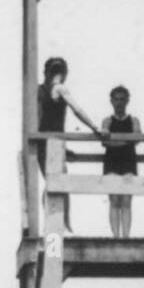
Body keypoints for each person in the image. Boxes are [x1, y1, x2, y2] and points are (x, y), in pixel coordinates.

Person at [37, 57, 101, 232]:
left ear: (46, 72)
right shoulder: (59, 88)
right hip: (54, 144)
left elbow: (41, 120)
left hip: (43, 144)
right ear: (64, 74)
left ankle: (58, 224)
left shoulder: (39, 91)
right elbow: (77, 110)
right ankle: (61, 225)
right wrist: (95, 127)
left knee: (54, 183)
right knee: (59, 184)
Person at [100, 86, 141, 238]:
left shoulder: (133, 120)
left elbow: (137, 138)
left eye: (122, 99)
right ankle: (116, 237)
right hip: (111, 161)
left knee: (126, 200)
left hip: (128, 161)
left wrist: (116, 140)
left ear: (127, 101)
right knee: (114, 200)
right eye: (116, 99)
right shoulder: (107, 121)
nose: (119, 103)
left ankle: (126, 237)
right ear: (111, 101)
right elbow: (104, 141)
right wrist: (126, 141)